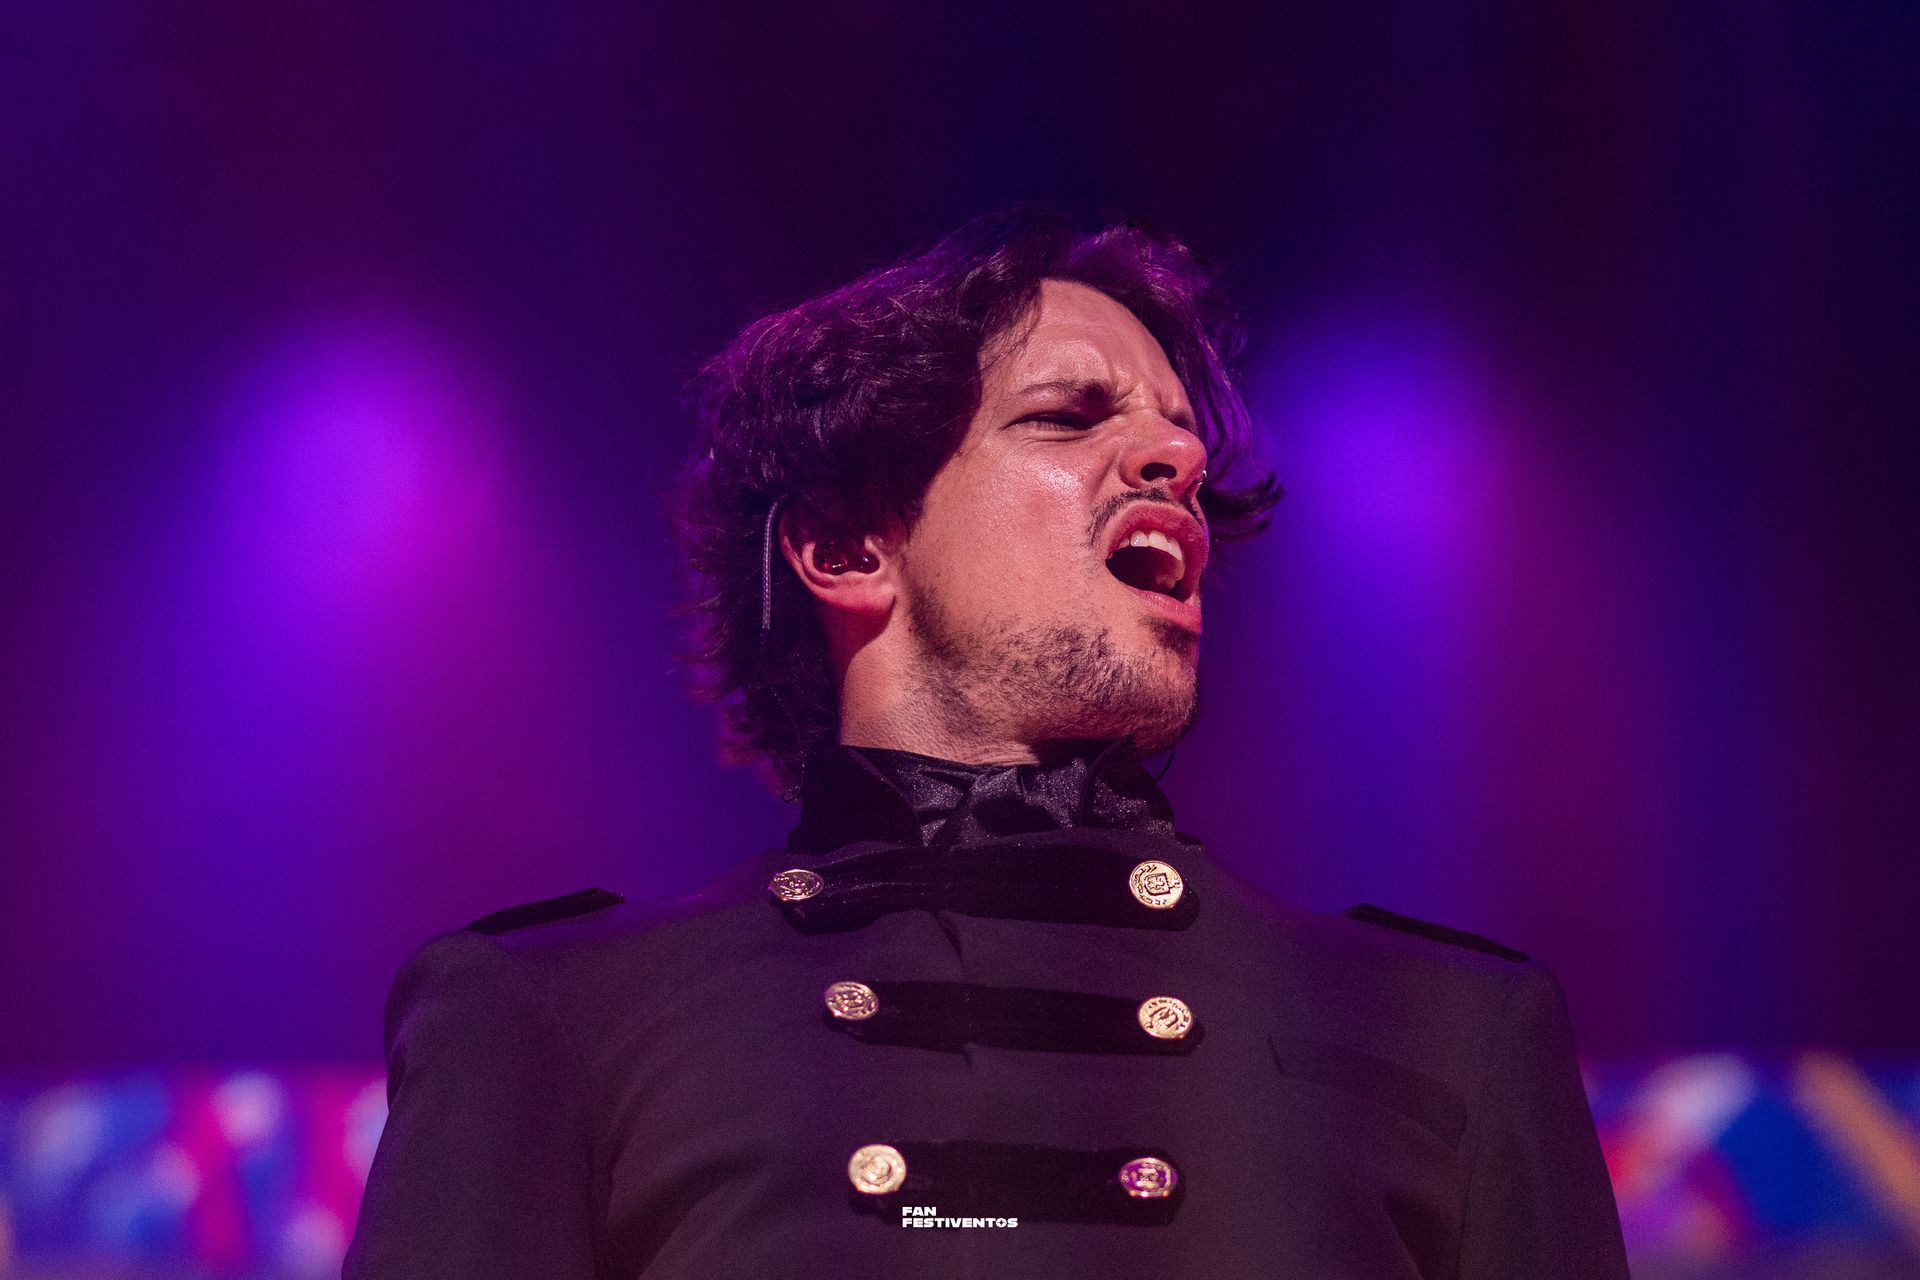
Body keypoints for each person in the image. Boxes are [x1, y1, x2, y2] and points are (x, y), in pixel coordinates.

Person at [342, 209, 1630, 1277]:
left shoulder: (1456, 1031)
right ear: (847, 548)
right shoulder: (556, 1017)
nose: (1177, 455)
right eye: (1067, 416)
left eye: (1180, 430)